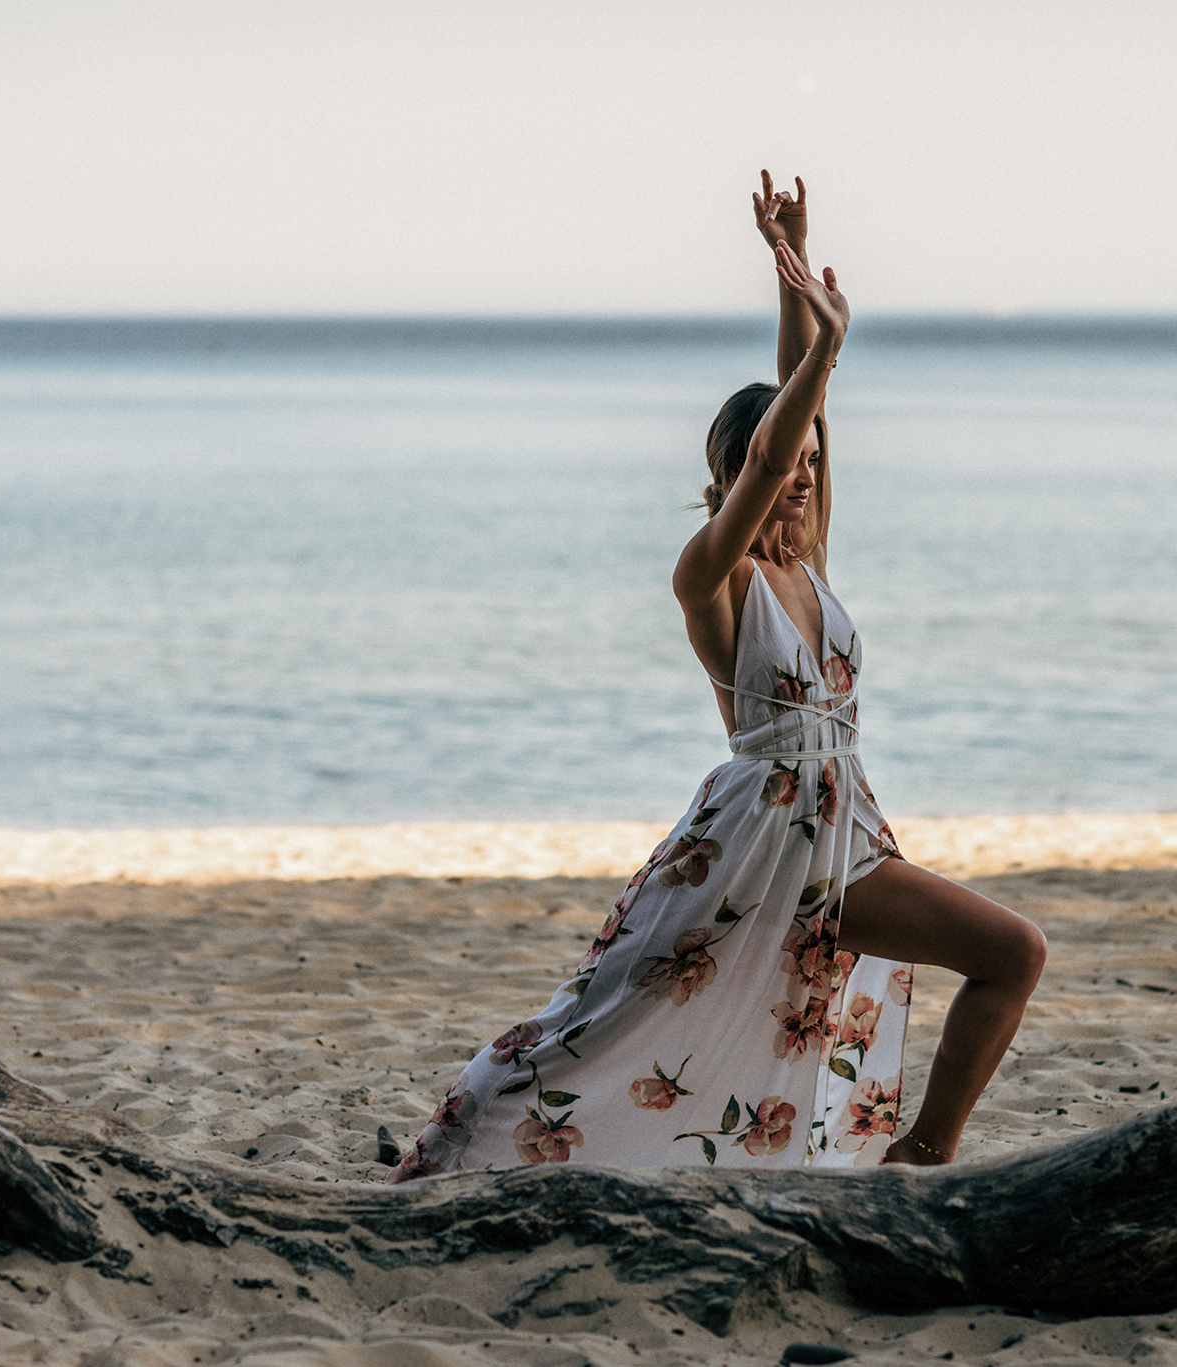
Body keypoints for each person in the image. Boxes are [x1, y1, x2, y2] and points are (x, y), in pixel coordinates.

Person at [387, 173, 1046, 1181]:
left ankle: (918, 1163)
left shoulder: (810, 557)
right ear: (742, 472)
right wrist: (824, 347)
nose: (810, 467)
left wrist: (787, 268)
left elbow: (800, 414)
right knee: (605, 1017)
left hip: (842, 834)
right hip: (748, 844)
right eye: (789, 457)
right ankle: (474, 1126)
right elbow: (781, 431)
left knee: (1012, 953)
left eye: (819, 451)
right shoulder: (713, 574)